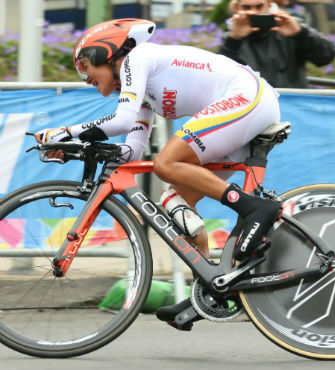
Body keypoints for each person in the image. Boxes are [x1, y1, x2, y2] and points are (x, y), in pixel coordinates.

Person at [34, 18, 282, 330]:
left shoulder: (137, 59)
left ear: (107, 53)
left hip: (246, 97)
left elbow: (121, 120)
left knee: (166, 164)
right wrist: (72, 146)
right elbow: (132, 151)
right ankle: (208, 290)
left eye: (85, 66)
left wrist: (65, 131)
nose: (85, 78)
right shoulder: (142, 91)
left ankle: (256, 207)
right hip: (242, 106)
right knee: (174, 202)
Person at [219, 0, 335, 88]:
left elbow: (327, 56)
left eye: (259, 6)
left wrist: (300, 33)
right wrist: (233, 41)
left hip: (292, 105)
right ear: (236, 8)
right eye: (246, 7)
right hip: (253, 107)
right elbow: (220, 76)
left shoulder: (288, 27)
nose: (253, 12)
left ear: (269, 5)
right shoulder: (232, 37)